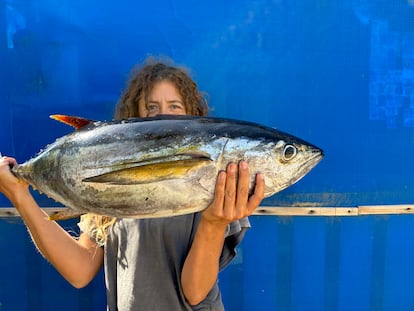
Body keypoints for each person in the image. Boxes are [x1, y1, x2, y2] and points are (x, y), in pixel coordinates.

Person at [0, 56, 265, 310]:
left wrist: (214, 223)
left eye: (175, 106)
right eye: (151, 107)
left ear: (193, 117)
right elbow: (79, 271)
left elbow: (195, 292)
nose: (164, 116)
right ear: (133, 121)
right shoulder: (114, 183)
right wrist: (19, 194)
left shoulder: (218, 188)